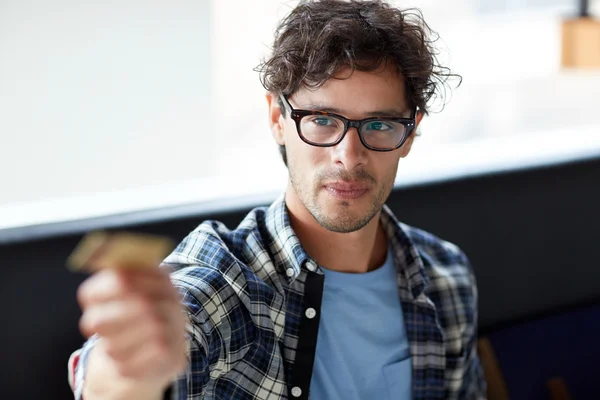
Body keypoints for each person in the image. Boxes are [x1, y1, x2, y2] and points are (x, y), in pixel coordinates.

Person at [70, 1, 486, 399]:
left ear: (409, 133)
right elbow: (129, 366)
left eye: (379, 124)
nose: (349, 155)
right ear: (277, 119)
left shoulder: (446, 278)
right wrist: (126, 375)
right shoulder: (225, 281)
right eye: (322, 121)